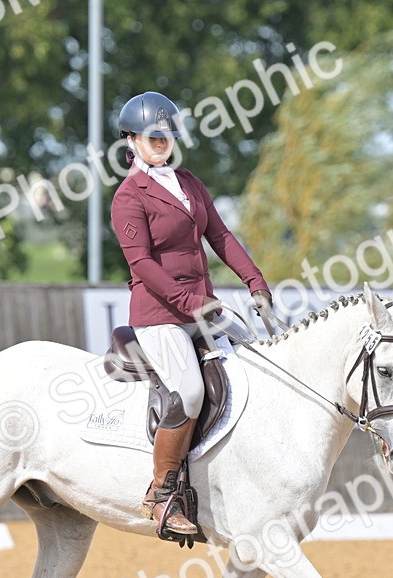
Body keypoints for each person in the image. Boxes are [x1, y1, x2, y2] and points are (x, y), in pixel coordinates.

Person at [109, 90, 274, 538]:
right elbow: (141, 264)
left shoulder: (190, 183)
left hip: (202, 306)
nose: (161, 142)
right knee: (190, 391)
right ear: (132, 139)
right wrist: (188, 305)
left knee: (259, 361)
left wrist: (255, 282)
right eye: (152, 136)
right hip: (160, 314)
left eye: (166, 135)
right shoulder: (128, 197)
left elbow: (219, 236)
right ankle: (162, 495)